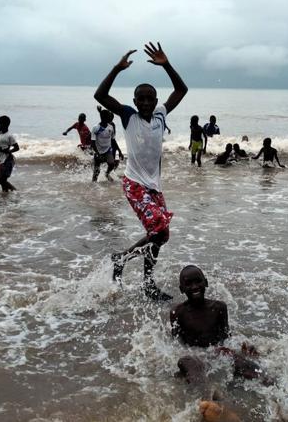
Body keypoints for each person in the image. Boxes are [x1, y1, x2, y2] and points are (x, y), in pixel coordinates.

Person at [94, 42, 188, 301]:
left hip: (154, 187)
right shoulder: (128, 116)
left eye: (150, 98)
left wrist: (167, 64)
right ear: (134, 101)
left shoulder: (160, 114)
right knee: (157, 229)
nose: (146, 102)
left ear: (156, 101)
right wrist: (116, 69)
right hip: (134, 183)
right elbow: (100, 96)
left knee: (162, 235)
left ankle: (128, 264)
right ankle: (136, 273)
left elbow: (182, 90)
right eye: (141, 99)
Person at [170, 265, 229, 347]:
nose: (194, 287)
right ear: (182, 289)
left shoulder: (219, 308)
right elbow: (177, 345)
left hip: (216, 354)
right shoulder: (177, 313)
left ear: (206, 283)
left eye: (198, 281)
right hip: (193, 355)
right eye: (188, 284)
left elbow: (226, 338)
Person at [0, 115, 19, 192]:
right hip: (1, 160)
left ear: (6, 125)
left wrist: (8, 151)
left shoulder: (9, 136)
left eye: (0, 124)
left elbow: (17, 147)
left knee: (2, 180)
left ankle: (15, 191)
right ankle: (5, 194)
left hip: (7, 160)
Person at [91, 107, 116, 182]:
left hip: (108, 150)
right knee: (96, 172)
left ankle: (107, 173)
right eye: (108, 116)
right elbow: (93, 142)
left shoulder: (110, 127)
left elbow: (113, 140)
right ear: (105, 118)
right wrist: (97, 153)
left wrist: (119, 151)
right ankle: (93, 186)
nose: (110, 118)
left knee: (111, 164)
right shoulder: (96, 128)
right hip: (98, 151)